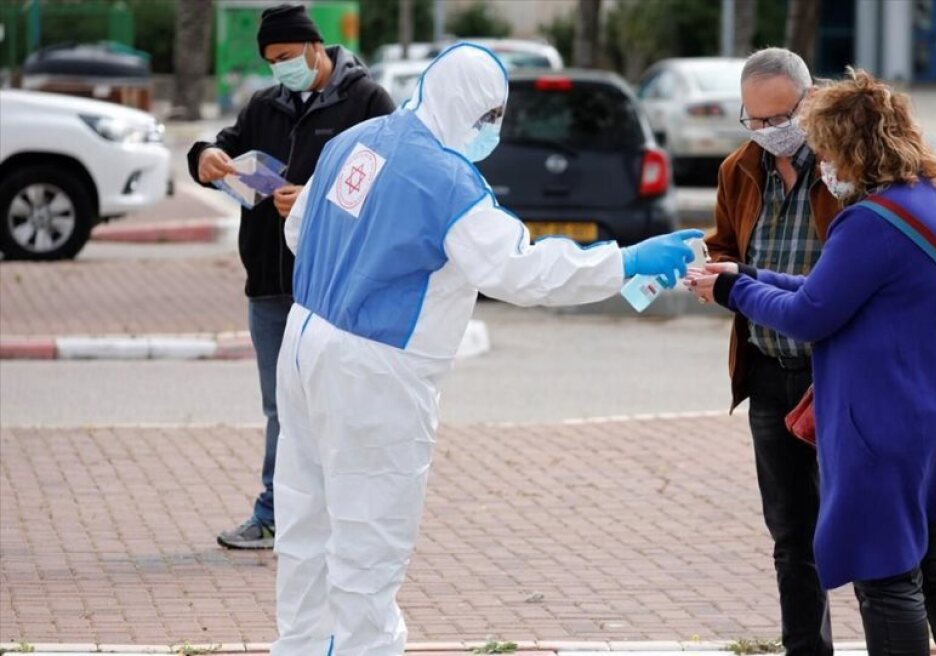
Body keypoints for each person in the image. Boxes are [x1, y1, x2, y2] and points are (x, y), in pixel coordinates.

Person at [271, 42, 703, 655]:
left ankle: (302, 647)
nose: (492, 132)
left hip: (306, 339)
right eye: (489, 118)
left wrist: (355, 260)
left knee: (305, 521)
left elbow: (297, 230)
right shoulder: (448, 182)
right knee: (370, 537)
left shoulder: (357, 140)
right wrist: (626, 261)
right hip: (378, 368)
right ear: (466, 106)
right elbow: (520, 271)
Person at [687, 68, 936, 655]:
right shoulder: (933, 204)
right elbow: (834, 287)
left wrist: (732, 292)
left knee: (887, 579)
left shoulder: (869, 221)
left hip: (891, 426)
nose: (824, 164)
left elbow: (814, 313)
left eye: (828, 150)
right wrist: (752, 274)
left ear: (854, 149)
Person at [187, 3, 395, 550]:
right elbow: (226, 147)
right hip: (270, 286)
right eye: (271, 61)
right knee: (283, 407)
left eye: (285, 57)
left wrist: (313, 201)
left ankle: (348, 518)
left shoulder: (367, 103)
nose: (280, 69)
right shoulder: (265, 105)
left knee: (340, 405)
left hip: (334, 287)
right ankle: (274, 513)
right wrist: (206, 155)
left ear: (313, 46)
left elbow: (391, 184)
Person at [702, 47, 840, 654]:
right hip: (767, 373)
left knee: (861, 526)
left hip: (835, 373)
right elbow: (727, 246)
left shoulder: (842, 171)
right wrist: (706, 270)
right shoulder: (740, 168)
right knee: (791, 534)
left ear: (809, 105)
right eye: (752, 121)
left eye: (776, 119)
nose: (765, 134)